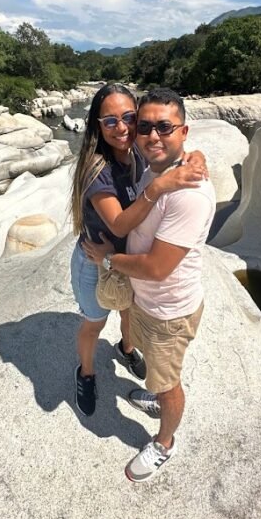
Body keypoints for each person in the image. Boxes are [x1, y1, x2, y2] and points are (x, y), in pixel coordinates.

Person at [83, 87, 216, 482]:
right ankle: (158, 398)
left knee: (168, 381)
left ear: (183, 131)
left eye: (164, 127)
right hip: (147, 302)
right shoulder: (152, 167)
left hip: (168, 311)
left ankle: (165, 442)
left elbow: (157, 268)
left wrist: (106, 258)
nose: (152, 135)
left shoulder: (189, 195)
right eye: (145, 127)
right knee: (156, 374)